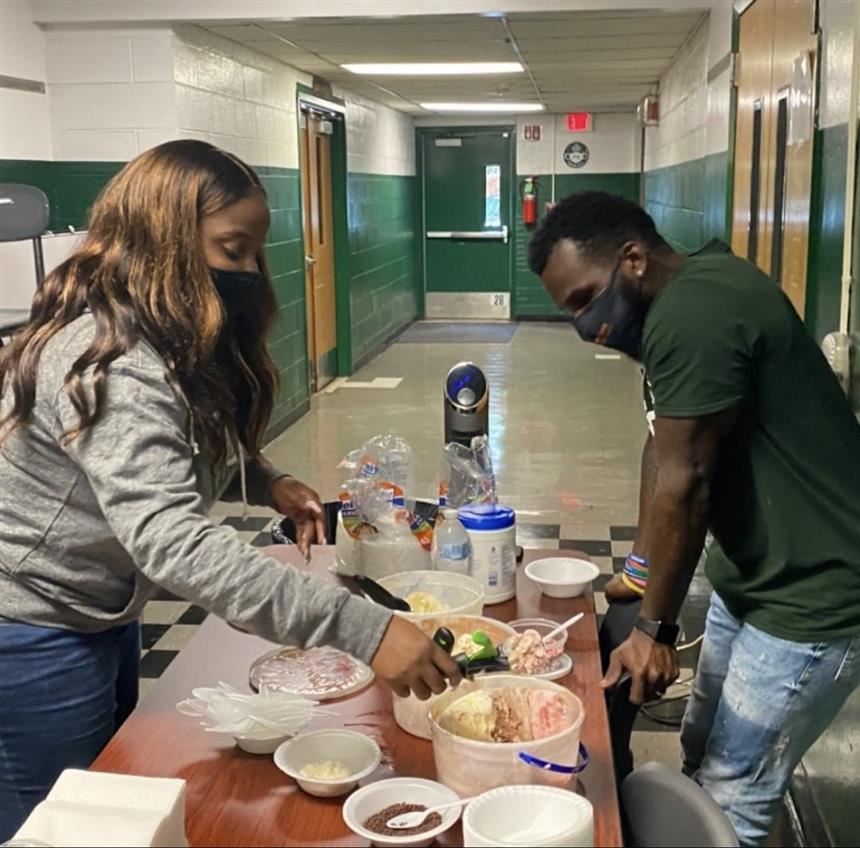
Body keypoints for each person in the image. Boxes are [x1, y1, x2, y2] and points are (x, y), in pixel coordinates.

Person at [0, 140, 460, 840]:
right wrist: (364, 630)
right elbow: (174, 543)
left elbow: (166, 449)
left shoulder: (152, 333)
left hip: (90, 607)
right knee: (62, 822)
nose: (248, 272)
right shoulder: (113, 359)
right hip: (29, 625)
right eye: (231, 249)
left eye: (252, 252)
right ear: (162, 244)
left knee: (103, 790)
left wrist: (263, 479)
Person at [528, 190, 860, 846]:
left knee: (735, 792)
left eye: (583, 298)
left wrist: (653, 626)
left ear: (633, 259)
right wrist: (641, 569)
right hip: (753, 575)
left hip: (811, 597)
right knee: (701, 754)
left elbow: (687, 482)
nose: (582, 322)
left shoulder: (696, 312)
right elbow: (664, 440)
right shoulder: (680, 297)